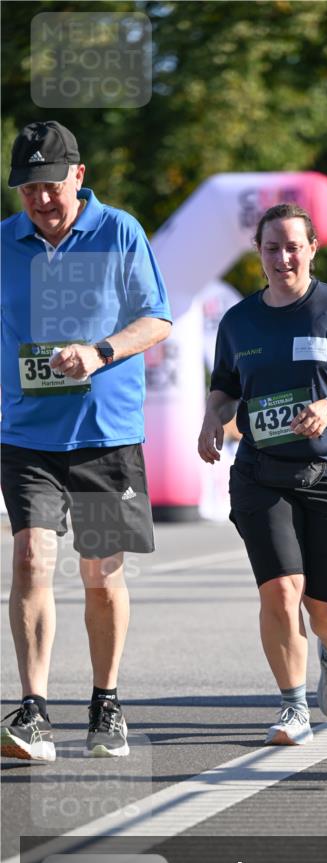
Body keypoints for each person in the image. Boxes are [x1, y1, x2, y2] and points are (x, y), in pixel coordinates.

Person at [1, 121, 171, 761]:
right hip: (26, 436)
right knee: (30, 560)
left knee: (100, 575)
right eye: (27, 188)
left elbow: (157, 319)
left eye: (50, 184)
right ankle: (35, 709)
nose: (41, 199)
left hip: (104, 436)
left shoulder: (120, 231)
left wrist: (100, 353)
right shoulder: (5, 243)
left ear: (78, 175)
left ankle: (107, 702)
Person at [198, 203, 327, 746]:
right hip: (263, 473)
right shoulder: (239, 321)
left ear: (311, 248)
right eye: (271, 247)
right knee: (282, 591)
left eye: (292, 246)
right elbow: (225, 384)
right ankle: (292, 706)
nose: (282, 257)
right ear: (258, 253)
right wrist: (211, 418)